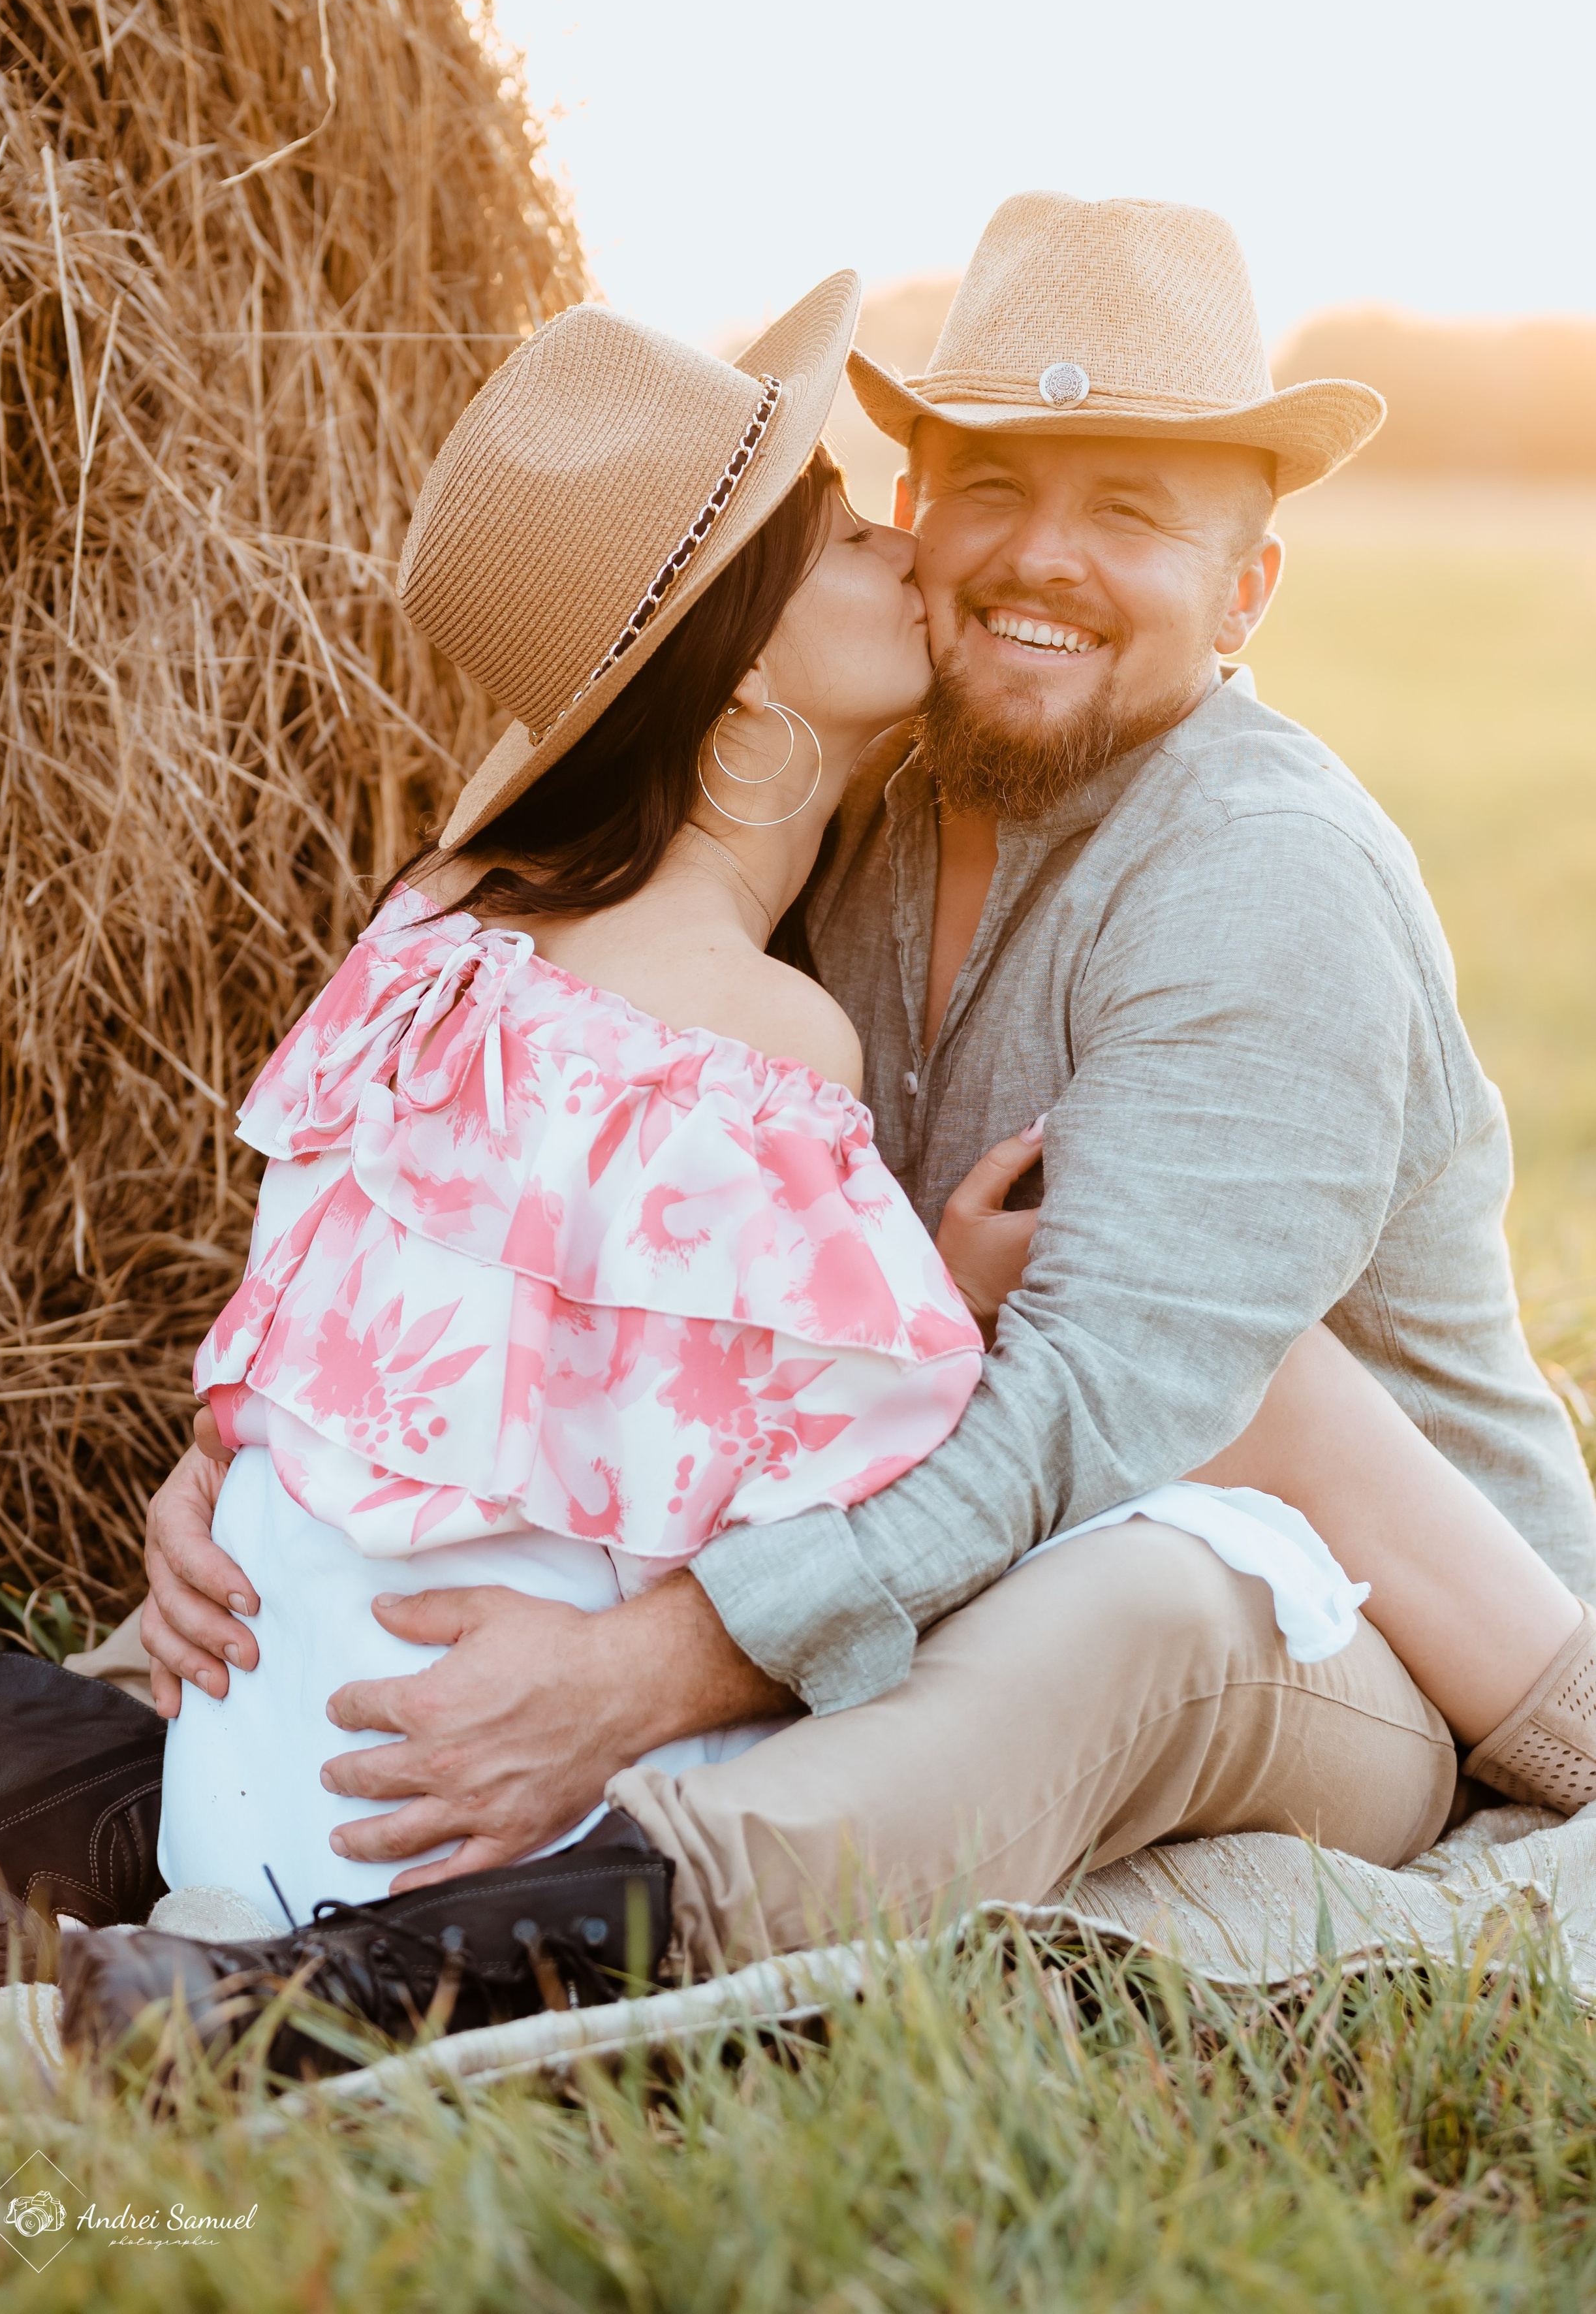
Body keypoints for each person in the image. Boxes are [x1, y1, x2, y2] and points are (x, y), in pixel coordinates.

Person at [129, 197, 1596, 2007]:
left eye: (1129, 509)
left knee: (1132, 1606)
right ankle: (179, 1808)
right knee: (352, 1548)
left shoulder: (1258, 881)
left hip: (1359, 1617)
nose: (1031, 559)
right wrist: (238, 1470)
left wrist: (660, 1666)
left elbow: (1102, 1414)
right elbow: (559, 1240)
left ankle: (514, 1956)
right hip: (939, 1519)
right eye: (987, 483)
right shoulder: (855, 794)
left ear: (1248, 590)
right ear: (912, 508)